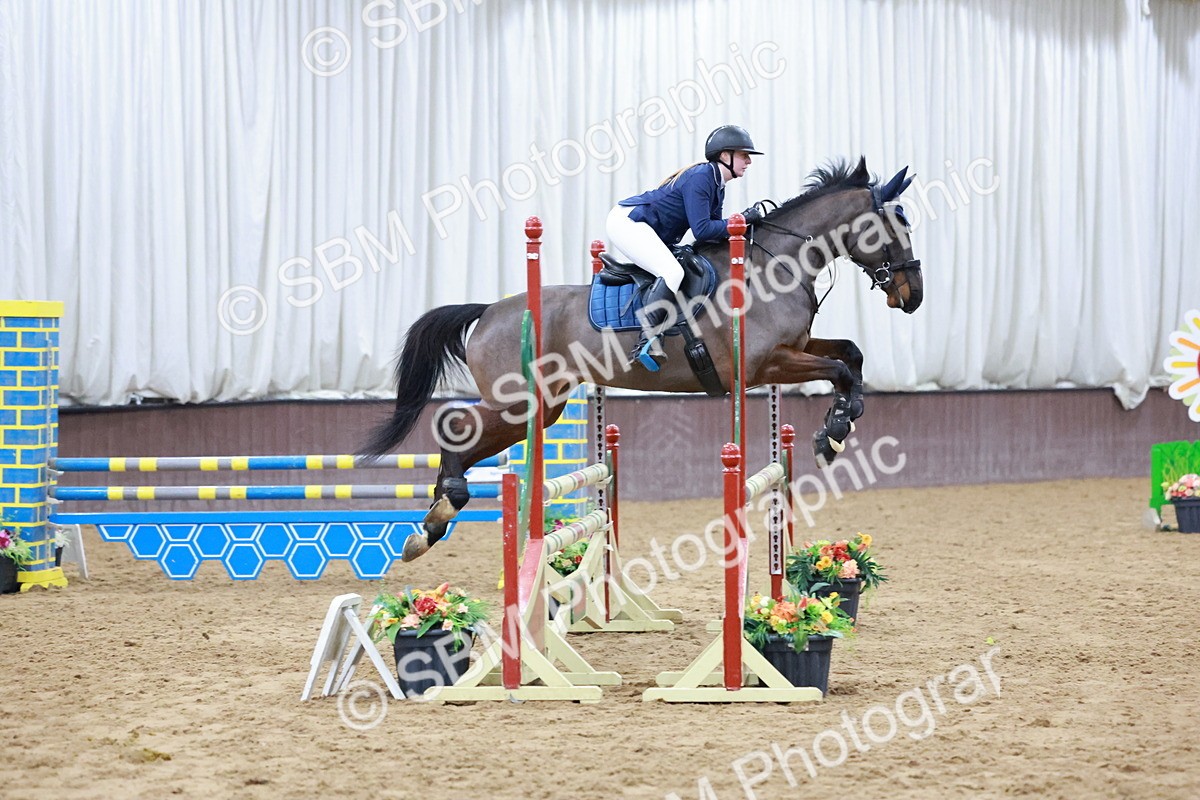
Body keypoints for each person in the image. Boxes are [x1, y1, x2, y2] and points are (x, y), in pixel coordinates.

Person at [606, 124, 764, 371]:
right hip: (628, 222)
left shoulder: (716, 184)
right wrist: (741, 220)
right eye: (744, 155)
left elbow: (709, 235)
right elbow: (702, 230)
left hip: (645, 225)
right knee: (672, 272)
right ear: (725, 156)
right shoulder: (702, 177)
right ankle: (646, 342)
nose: (748, 162)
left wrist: (743, 227)